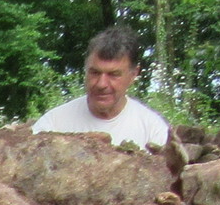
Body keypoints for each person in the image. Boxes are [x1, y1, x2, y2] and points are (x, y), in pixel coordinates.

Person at [33, 27, 173, 148]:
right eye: (94, 73)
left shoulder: (153, 132)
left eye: (114, 74)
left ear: (133, 75)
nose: (101, 84)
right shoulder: (52, 125)